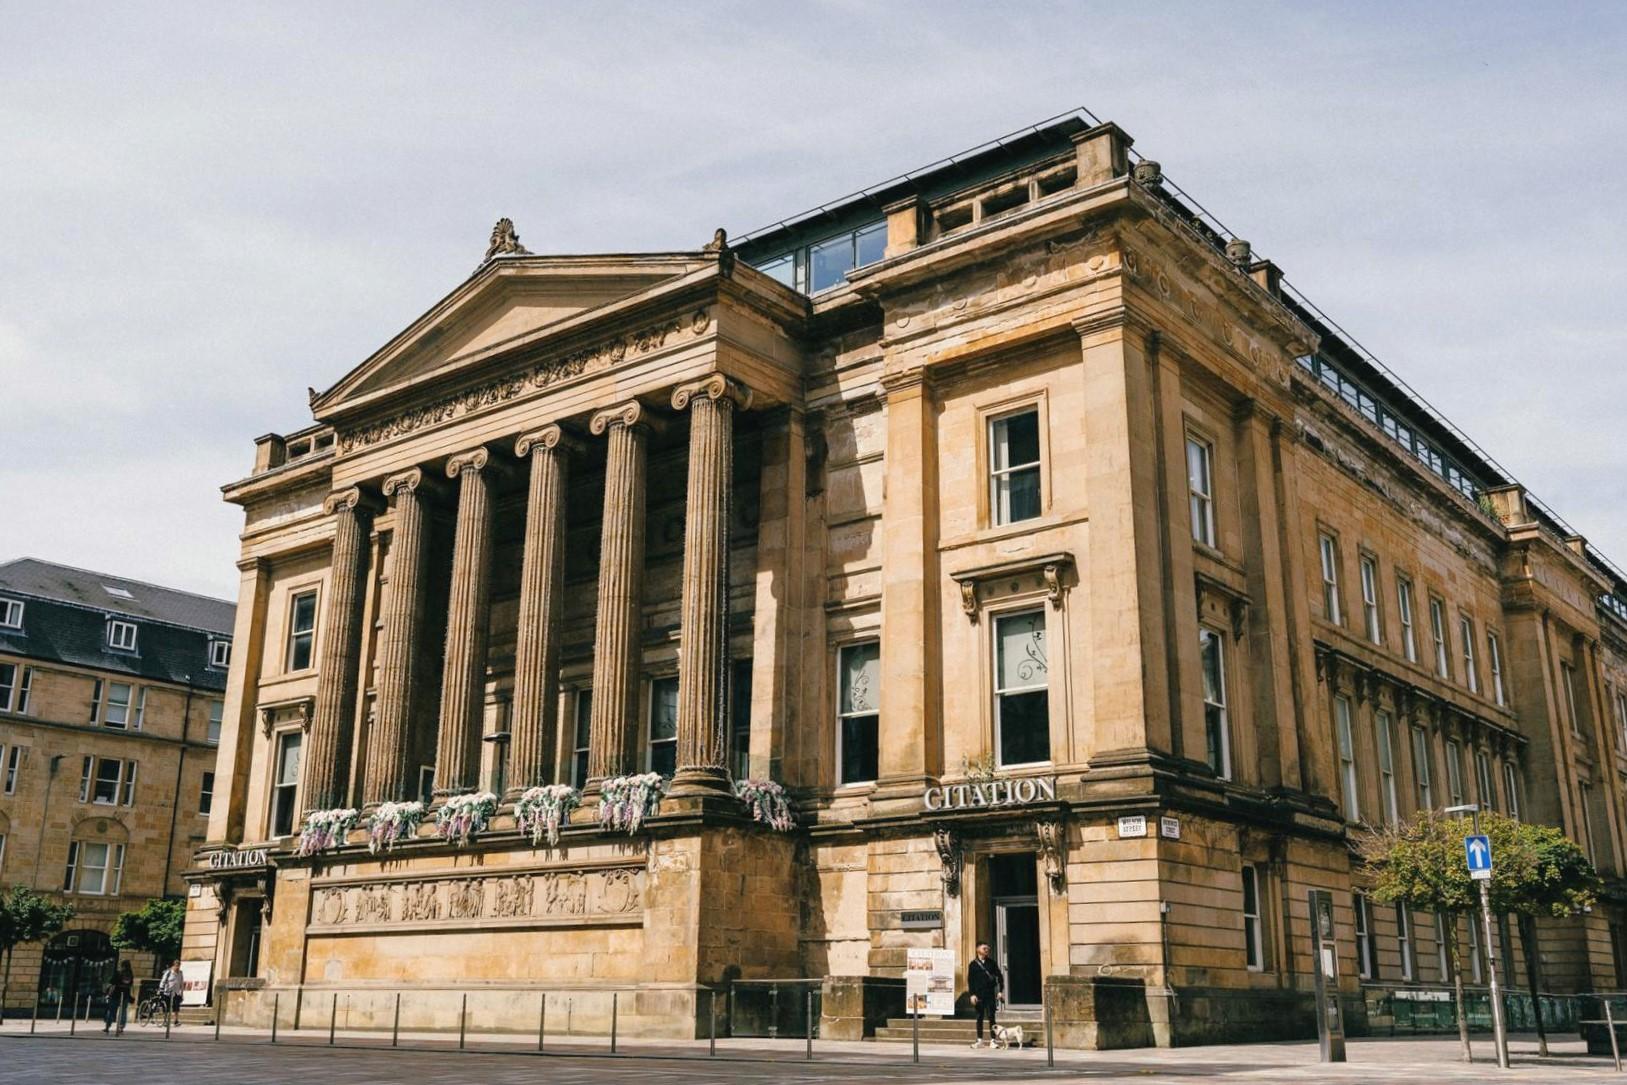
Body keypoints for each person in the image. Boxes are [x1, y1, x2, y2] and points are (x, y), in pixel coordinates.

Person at [967, 942, 1003, 1049]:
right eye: (984, 948)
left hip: (990, 994)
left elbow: (1000, 976)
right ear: (978, 950)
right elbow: (970, 981)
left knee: (991, 1017)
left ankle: (993, 1040)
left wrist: (1000, 991)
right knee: (979, 1017)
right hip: (978, 995)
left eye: (987, 948)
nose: (987, 950)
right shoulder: (973, 964)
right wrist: (972, 994)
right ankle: (979, 1040)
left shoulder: (992, 963)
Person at [103, 960, 134, 1035]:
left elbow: (112, 984)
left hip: (115, 994)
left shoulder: (118, 973)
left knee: (111, 1011)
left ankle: (107, 1026)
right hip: (125, 995)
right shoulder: (130, 974)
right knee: (123, 1011)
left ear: (122, 966)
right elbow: (131, 986)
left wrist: (107, 992)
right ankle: (121, 1027)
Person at [158, 960, 184, 1025]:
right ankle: (165, 1021)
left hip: (176, 993)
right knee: (166, 1008)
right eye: (176, 966)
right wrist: (161, 989)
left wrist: (182, 993)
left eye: (179, 966)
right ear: (173, 965)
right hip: (167, 992)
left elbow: (181, 983)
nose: (177, 967)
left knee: (176, 1007)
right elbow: (163, 981)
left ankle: (176, 1021)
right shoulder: (169, 972)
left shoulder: (180, 973)